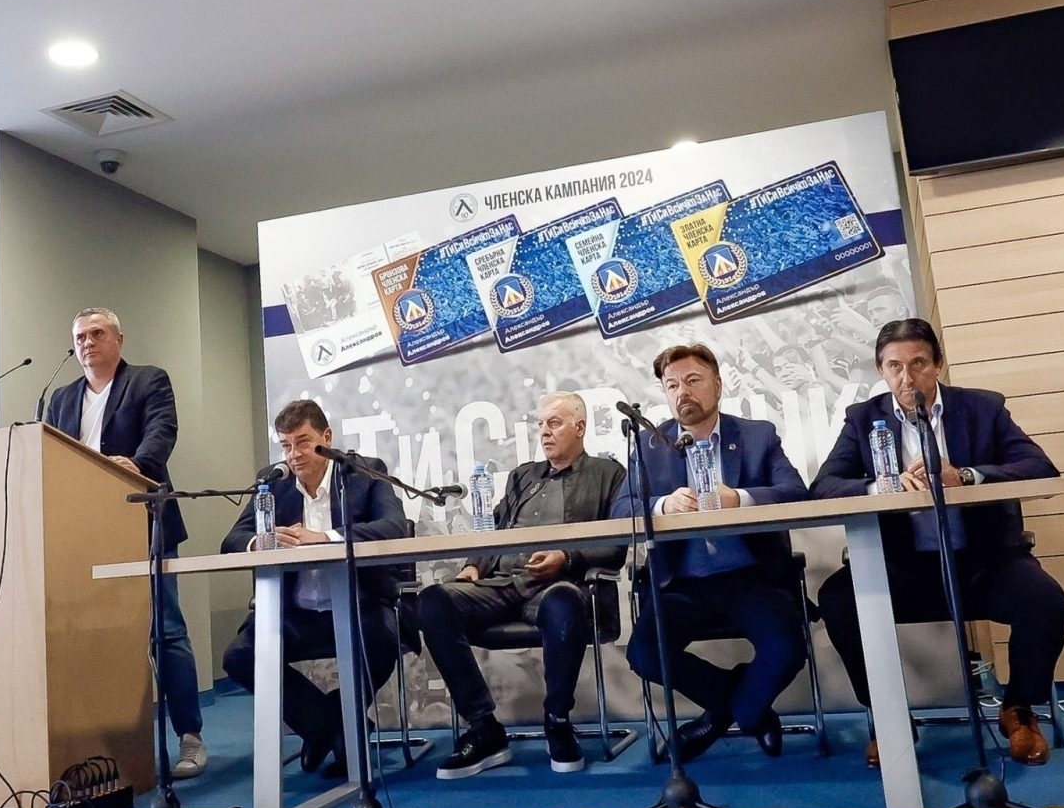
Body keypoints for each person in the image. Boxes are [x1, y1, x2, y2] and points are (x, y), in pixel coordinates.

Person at [810, 318, 1064, 767]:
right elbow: (824, 487)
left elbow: (1039, 467)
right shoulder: (863, 419)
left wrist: (966, 476)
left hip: (983, 562)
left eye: (918, 364)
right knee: (837, 600)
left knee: (1046, 602)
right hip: (904, 568)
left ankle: (1018, 708)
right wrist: (883, 486)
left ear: (938, 365)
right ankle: (889, 715)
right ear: (881, 370)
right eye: (894, 367)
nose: (906, 377)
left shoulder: (982, 408)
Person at [612, 342, 811, 763]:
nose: (682, 391)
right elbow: (620, 509)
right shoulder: (650, 445)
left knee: (787, 649)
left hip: (750, 577)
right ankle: (744, 705)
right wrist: (662, 506)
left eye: (692, 380)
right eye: (672, 385)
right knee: (644, 654)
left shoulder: (757, 436)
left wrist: (738, 499)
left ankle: (728, 713)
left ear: (717, 385)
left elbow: (795, 493)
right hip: (682, 582)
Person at [417, 392, 628, 779]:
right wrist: (473, 566)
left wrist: (566, 557)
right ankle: (484, 727)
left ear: (580, 428)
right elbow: (494, 531)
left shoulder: (607, 474)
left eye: (554, 423)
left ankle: (557, 721)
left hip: (557, 585)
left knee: (564, 601)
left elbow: (616, 546)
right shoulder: (523, 476)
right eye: (541, 424)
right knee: (433, 601)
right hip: (502, 584)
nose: (544, 432)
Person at [47, 308, 208, 777]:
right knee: (93, 633)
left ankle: (190, 736)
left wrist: (137, 464)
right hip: (83, 531)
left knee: (166, 631)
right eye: (79, 336)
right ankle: (105, 743)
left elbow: (162, 431)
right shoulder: (60, 398)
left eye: (96, 333)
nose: (87, 342)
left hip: (144, 519)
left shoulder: (147, 381)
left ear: (119, 338)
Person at [220, 399, 407, 779]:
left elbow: (394, 527)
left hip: (358, 606)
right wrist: (262, 541)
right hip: (296, 614)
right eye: (286, 445)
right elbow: (233, 540)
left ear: (327, 437)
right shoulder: (274, 484)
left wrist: (326, 538)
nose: (294, 454)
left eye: (303, 442)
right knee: (239, 655)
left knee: (383, 641)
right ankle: (332, 725)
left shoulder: (364, 473)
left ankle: (331, 725)